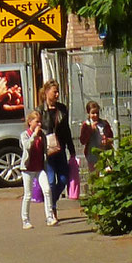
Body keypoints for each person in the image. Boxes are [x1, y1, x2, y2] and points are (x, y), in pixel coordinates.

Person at [37, 80, 75, 216]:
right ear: (47, 92)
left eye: (58, 92)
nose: (57, 95)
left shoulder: (62, 109)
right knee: (51, 181)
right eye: (55, 92)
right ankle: (51, 208)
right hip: (47, 151)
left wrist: (72, 149)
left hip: (60, 149)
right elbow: (36, 131)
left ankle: (52, 202)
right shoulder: (40, 110)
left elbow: (66, 130)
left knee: (64, 179)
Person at [20, 109, 53, 227]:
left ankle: (50, 217)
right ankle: (25, 220)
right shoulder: (24, 135)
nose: (39, 124)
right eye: (37, 122)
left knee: (47, 190)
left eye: (40, 122)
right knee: (28, 195)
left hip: (39, 168)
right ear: (30, 122)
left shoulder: (42, 135)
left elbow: (45, 149)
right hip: (28, 169)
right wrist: (34, 134)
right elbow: (27, 146)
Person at [79, 100, 115, 176]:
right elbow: (83, 140)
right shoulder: (86, 125)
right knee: (95, 175)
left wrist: (107, 140)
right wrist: (90, 130)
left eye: (97, 113)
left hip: (105, 153)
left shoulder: (104, 123)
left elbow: (111, 137)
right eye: (93, 113)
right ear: (88, 113)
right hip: (92, 155)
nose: (95, 115)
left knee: (107, 173)